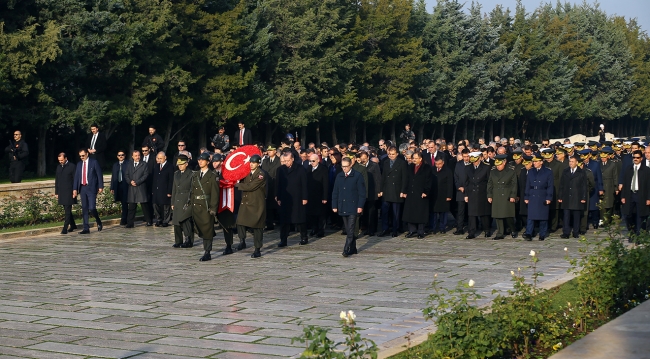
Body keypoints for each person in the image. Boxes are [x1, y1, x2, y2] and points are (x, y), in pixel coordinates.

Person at [331, 157, 366, 257]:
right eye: (343, 166)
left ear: (351, 165)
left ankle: (346, 248)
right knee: (348, 228)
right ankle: (353, 248)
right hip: (342, 205)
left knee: (351, 229)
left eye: (346, 166)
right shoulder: (339, 176)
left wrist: (360, 206)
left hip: (353, 206)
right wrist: (334, 205)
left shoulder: (357, 176)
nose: (344, 168)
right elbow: (335, 191)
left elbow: (362, 193)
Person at [235, 154, 267, 258]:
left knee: (258, 227)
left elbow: (251, 186)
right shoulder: (247, 173)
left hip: (256, 203)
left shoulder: (261, 174)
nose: (251, 164)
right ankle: (242, 240)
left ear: (258, 164)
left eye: (254, 163)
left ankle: (257, 249)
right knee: (240, 222)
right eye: (251, 162)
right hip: (246, 202)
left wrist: (237, 185)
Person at [275, 152, 309, 247]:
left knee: (300, 218)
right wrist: (277, 196)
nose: (286, 162)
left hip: (297, 197)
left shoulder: (300, 168)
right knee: (284, 221)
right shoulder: (280, 169)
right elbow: (278, 184)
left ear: (292, 159)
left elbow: (304, 184)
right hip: (285, 198)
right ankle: (283, 240)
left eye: (288, 160)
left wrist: (305, 197)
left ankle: (304, 237)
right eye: (284, 161)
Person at [191, 152, 219, 261]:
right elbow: (192, 191)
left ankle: (207, 252)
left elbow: (215, 194)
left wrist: (213, 208)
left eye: (203, 160)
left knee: (207, 229)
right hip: (196, 206)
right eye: (199, 159)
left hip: (206, 206)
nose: (200, 161)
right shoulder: (195, 175)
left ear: (208, 162)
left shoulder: (212, 176)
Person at [621, 150, 650, 243]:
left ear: (641, 158)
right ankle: (632, 233)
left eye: (637, 158)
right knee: (628, 215)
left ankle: (639, 235)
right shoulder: (628, 169)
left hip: (641, 195)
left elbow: (649, 185)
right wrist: (623, 196)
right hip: (630, 195)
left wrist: (648, 198)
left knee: (640, 216)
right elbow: (625, 183)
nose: (636, 159)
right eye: (634, 157)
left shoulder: (646, 170)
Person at [378, 147, 409, 237]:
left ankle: (395, 229)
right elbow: (383, 177)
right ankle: (385, 228)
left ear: (397, 154)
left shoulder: (402, 163)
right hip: (387, 190)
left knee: (396, 212)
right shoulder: (386, 162)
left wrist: (403, 190)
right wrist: (381, 189)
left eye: (393, 154)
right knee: (384, 211)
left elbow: (404, 178)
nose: (391, 156)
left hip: (397, 190)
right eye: (389, 154)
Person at [523, 154, 554, 241]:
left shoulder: (548, 172)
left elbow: (550, 186)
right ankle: (529, 233)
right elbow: (528, 185)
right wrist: (526, 196)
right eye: (534, 161)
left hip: (542, 194)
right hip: (532, 194)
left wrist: (549, 198)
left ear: (541, 162)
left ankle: (542, 233)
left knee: (543, 217)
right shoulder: (531, 171)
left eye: (536, 161)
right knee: (531, 217)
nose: (534, 163)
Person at [72, 148, 104, 234]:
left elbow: (99, 174)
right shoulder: (79, 164)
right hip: (82, 188)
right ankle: (86, 228)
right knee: (85, 208)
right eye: (80, 156)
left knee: (92, 207)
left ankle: (98, 221)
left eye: (83, 155)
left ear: (87, 154)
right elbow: (76, 178)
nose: (81, 157)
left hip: (92, 187)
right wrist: (75, 189)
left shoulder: (94, 162)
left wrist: (100, 186)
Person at [487, 154, 518, 240]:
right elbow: (490, 184)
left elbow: (514, 185)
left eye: (499, 164)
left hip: (506, 194)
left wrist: (513, 195)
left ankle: (512, 229)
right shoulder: (493, 171)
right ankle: (500, 233)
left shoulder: (511, 171)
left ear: (504, 162)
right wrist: (489, 195)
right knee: (498, 215)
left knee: (508, 215)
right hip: (496, 194)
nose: (498, 166)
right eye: (496, 165)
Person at [402, 152, 432, 238]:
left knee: (420, 213)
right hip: (411, 192)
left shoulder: (426, 168)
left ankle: (420, 231)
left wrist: (426, 191)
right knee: (410, 212)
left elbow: (428, 181)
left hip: (421, 193)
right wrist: (404, 191)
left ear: (420, 158)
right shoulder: (410, 167)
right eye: (413, 158)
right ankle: (412, 230)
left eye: (415, 158)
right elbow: (407, 179)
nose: (414, 160)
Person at [558, 156, 587, 239]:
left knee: (576, 216)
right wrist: (560, 196)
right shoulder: (565, 171)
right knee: (566, 216)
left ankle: (575, 232)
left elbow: (584, 186)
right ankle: (566, 232)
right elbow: (562, 185)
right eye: (570, 161)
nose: (570, 163)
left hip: (577, 197)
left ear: (577, 162)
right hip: (566, 196)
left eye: (572, 161)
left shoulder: (581, 172)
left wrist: (583, 197)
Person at [464, 152, 492, 239]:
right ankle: (471, 232)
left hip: (482, 193)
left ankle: (486, 230)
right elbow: (466, 182)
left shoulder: (486, 167)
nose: (474, 162)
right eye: (472, 160)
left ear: (480, 158)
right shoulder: (468, 167)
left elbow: (489, 182)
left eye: (475, 160)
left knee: (484, 214)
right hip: (472, 193)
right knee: (471, 214)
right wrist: (466, 194)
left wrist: (489, 195)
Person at [124, 150, 153, 228]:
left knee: (144, 205)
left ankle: (149, 221)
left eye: (138, 155)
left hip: (141, 187)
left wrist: (137, 182)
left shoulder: (144, 164)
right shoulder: (129, 165)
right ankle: (130, 223)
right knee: (131, 206)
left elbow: (145, 175)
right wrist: (130, 182)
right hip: (132, 188)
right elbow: (126, 175)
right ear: (132, 156)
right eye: (136, 156)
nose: (137, 157)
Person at [171, 154, 194, 248]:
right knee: (176, 222)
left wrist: (190, 202)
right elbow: (174, 189)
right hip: (177, 199)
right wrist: (172, 202)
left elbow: (192, 189)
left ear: (186, 164)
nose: (180, 166)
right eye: (179, 164)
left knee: (186, 221)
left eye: (182, 164)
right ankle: (178, 240)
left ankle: (189, 240)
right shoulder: (176, 174)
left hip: (186, 199)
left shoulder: (191, 174)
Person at [359, 151, 381, 236]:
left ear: (368, 157)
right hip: (363, 191)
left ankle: (372, 229)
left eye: (364, 158)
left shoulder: (374, 165)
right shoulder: (360, 165)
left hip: (372, 191)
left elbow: (378, 178)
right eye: (362, 158)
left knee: (372, 211)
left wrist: (379, 191)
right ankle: (366, 227)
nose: (363, 160)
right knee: (365, 212)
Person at [307, 154, 329, 238]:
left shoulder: (323, 169)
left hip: (320, 195)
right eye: (310, 161)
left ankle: (321, 230)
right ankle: (314, 229)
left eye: (313, 161)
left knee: (321, 214)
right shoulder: (308, 169)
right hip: (311, 195)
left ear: (318, 160)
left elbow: (325, 184)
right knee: (312, 214)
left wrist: (325, 197)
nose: (311, 163)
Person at [55, 152, 77, 234]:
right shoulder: (58, 167)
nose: (60, 162)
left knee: (67, 209)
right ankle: (73, 224)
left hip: (69, 191)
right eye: (59, 160)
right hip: (61, 191)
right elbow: (57, 180)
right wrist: (57, 192)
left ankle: (65, 228)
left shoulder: (72, 166)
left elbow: (75, 179)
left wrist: (75, 190)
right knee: (66, 209)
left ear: (66, 158)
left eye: (62, 160)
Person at [431, 157, 453, 234]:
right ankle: (433, 228)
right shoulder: (432, 170)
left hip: (443, 195)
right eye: (436, 164)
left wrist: (449, 195)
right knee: (433, 212)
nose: (438, 165)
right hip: (434, 195)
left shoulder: (447, 171)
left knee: (443, 213)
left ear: (443, 163)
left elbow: (450, 184)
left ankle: (442, 227)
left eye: (439, 164)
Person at [152, 152, 174, 227]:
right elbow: (154, 179)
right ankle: (159, 219)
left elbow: (171, 180)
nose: (159, 160)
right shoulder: (156, 166)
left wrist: (169, 191)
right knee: (156, 205)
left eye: (161, 158)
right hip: (157, 190)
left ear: (165, 157)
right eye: (158, 158)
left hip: (165, 189)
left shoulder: (170, 166)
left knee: (166, 206)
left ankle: (165, 220)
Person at [599, 147, 619, 223]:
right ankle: (602, 220)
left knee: (609, 203)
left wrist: (616, 188)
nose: (603, 159)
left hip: (609, 185)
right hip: (601, 185)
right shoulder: (598, 164)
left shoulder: (612, 164)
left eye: (604, 157)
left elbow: (615, 176)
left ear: (607, 156)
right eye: (601, 157)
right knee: (602, 204)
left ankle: (609, 219)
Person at [110, 150, 129, 226]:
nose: (121, 156)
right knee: (122, 202)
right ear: (117, 156)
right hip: (118, 185)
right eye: (119, 155)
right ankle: (125, 217)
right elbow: (113, 176)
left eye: (122, 155)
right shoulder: (115, 165)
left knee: (125, 202)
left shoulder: (128, 163)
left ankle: (124, 219)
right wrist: (112, 187)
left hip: (126, 185)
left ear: (125, 155)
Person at [453, 150, 470, 235]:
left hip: (470, 192)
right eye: (464, 156)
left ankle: (472, 228)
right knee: (460, 211)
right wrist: (459, 186)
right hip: (461, 192)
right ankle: (460, 228)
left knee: (471, 211)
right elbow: (455, 177)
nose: (466, 158)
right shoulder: (458, 164)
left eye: (467, 156)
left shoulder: (472, 164)